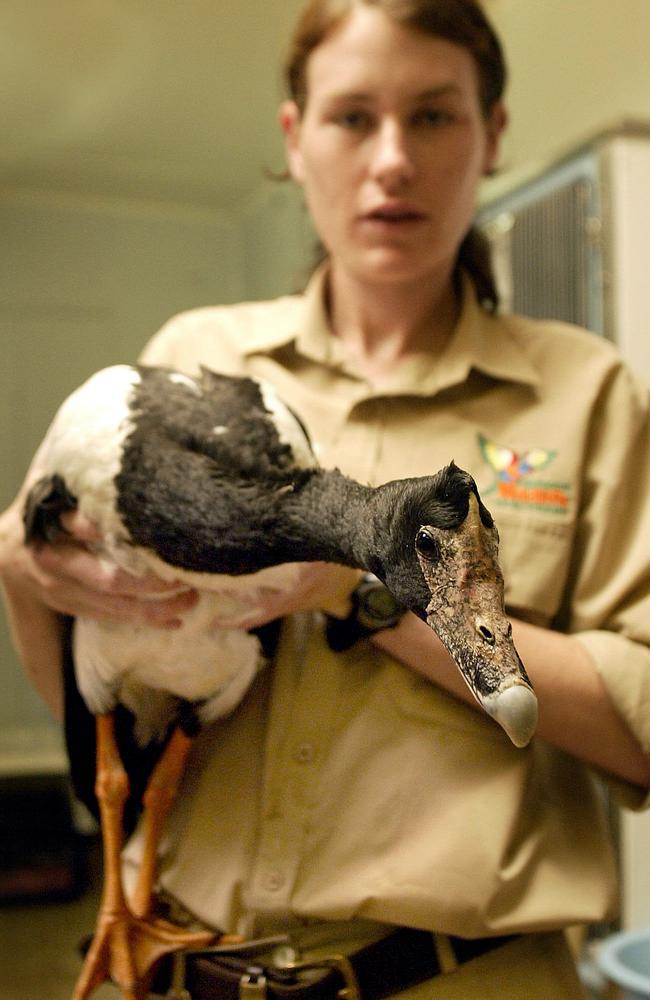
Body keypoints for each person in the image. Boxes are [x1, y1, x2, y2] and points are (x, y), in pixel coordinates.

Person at [1, 0, 650, 996]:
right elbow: (115, 680)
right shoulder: (189, 358)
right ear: (296, 139)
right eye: (353, 117)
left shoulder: (586, 389)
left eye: (432, 115)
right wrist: (19, 568)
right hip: (188, 965)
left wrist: (353, 595)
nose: (391, 160)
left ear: (492, 134)